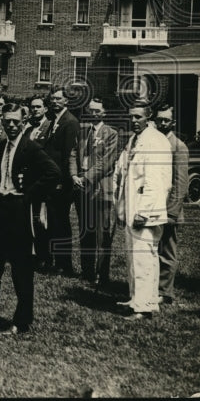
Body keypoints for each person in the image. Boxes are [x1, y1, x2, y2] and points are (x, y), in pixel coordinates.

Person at [0, 104, 62, 334]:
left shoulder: (31, 147)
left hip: (18, 209)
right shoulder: (1, 145)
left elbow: (53, 172)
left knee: (21, 267)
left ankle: (22, 321)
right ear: (2, 122)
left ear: (23, 122)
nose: (11, 125)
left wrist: (28, 197)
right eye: (7, 121)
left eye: (15, 121)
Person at [114, 103, 171, 318]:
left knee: (144, 257)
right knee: (134, 257)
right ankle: (136, 299)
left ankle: (145, 305)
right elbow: (124, 173)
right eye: (131, 117)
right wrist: (121, 208)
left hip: (145, 211)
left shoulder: (156, 141)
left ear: (148, 118)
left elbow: (156, 181)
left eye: (138, 117)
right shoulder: (134, 140)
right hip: (132, 207)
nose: (133, 121)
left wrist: (144, 212)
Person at [73, 99, 120, 288]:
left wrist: (87, 178)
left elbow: (106, 162)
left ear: (104, 113)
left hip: (101, 189)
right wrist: (74, 175)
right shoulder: (83, 132)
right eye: (90, 110)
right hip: (83, 187)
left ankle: (102, 274)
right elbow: (73, 154)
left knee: (102, 234)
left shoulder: (111, 134)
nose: (93, 113)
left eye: (97, 110)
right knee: (86, 231)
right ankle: (87, 271)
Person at [39, 88, 79, 275]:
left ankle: (65, 265)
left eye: (59, 99)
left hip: (61, 183)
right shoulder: (54, 120)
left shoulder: (70, 122)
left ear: (66, 102)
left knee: (60, 224)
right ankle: (52, 261)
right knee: (51, 222)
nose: (54, 101)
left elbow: (68, 154)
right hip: (50, 180)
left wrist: (62, 181)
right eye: (52, 98)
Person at [155, 106, 189, 305]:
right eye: (159, 120)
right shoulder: (155, 142)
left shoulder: (178, 146)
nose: (162, 124)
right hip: (153, 206)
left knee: (167, 251)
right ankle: (155, 286)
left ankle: (165, 291)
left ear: (173, 123)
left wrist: (172, 212)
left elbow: (181, 183)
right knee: (154, 249)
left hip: (168, 209)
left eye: (166, 121)